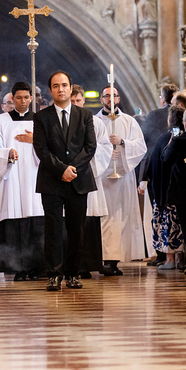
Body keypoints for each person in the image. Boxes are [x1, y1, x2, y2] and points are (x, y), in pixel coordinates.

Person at [32, 71, 97, 292]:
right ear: (50, 90)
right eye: (56, 86)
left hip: (78, 180)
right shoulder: (42, 117)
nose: (61, 89)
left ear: (71, 88)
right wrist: (62, 170)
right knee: (53, 229)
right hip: (51, 180)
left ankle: (73, 273)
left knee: (76, 230)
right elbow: (41, 149)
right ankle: (54, 274)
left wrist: (72, 169)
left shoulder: (85, 115)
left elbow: (90, 147)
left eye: (64, 85)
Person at [0, 82, 45, 281]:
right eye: (18, 98)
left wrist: (36, 141)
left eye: (26, 97)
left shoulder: (41, 120)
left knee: (36, 220)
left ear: (31, 98)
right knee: (15, 219)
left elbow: (52, 147)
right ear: (12, 98)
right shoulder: (0, 121)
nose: (22, 101)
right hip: (11, 179)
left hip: (35, 176)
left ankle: (36, 268)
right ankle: (17, 268)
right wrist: (6, 153)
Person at [96, 83, 148, 274]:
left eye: (114, 96)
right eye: (106, 96)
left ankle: (114, 261)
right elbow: (89, 146)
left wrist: (123, 143)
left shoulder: (129, 121)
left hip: (123, 176)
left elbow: (140, 146)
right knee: (103, 218)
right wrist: (106, 154)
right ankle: (101, 258)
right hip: (102, 177)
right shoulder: (94, 122)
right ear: (101, 99)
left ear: (119, 99)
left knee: (120, 217)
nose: (110, 99)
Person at [72, 86, 115, 278]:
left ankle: (92, 263)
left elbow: (105, 146)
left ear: (83, 101)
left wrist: (89, 162)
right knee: (72, 221)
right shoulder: (62, 121)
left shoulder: (95, 122)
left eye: (78, 101)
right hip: (69, 176)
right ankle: (73, 265)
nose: (75, 104)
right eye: (72, 101)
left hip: (89, 173)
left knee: (90, 220)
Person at [142, 106, 186, 267]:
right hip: (183, 191)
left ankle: (170, 259)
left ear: (170, 120)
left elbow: (154, 164)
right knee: (180, 225)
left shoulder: (166, 138)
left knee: (169, 224)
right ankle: (181, 259)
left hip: (166, 192)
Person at [161, 108, 186, 270]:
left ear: (185, 123)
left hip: (182, 189)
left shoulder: (180, 140)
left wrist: (172, 140)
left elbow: (165, 158)